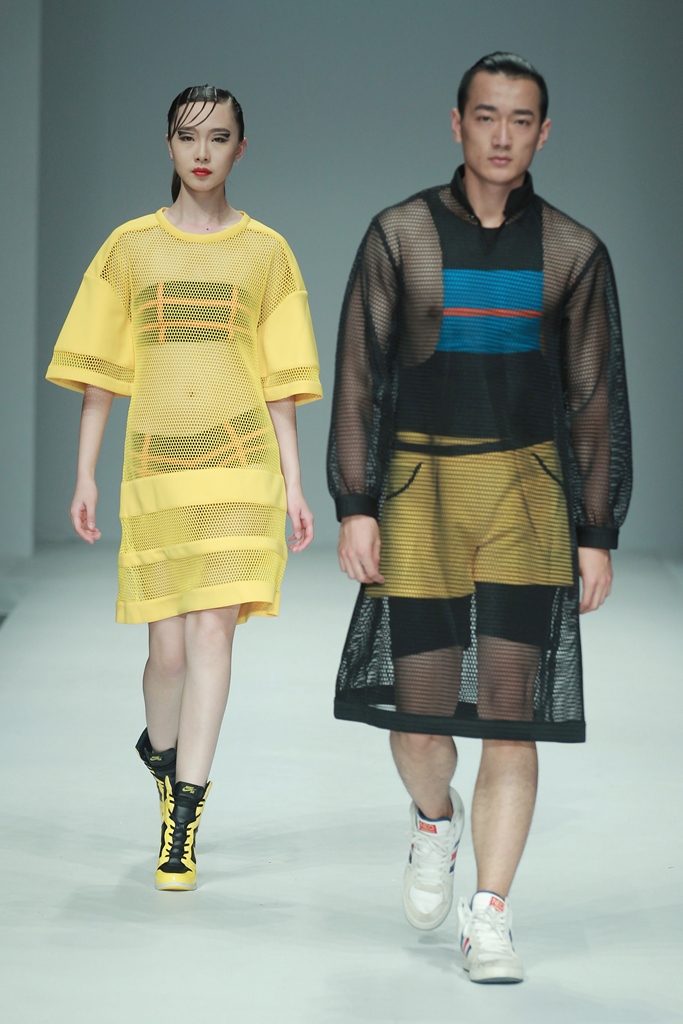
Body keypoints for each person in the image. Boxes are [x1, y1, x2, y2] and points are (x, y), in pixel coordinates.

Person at [327, 53, 631, 983]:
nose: (502, 135)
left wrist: (595, 529)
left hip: (526, 499)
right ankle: (434, 820)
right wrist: (355, 503)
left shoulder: (572, 252)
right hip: (420, 494)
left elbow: (593, 397)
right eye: (486, 116)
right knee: (420, 719)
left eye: (520, 119)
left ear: (544, 133)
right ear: (455, 123)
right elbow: (359, 375)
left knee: (511, 716)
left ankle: (490, 914)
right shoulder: (401, 235)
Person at [47, 85, 322, 891]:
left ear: (242, 148)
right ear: (167, 145)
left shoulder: (267, 253)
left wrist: (295, 485)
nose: (203, 152)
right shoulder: (130, 248)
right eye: (188, 136)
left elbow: (279, 381)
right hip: (158, 468)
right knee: (165, 654)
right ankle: (162, 757)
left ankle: (184, 821)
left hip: (240, 465)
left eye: (219, 137)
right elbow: (101, 372)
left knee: (211, 639)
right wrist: (84, 473)